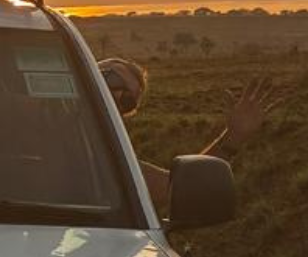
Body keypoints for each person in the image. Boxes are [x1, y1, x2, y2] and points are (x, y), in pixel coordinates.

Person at [97, 57, 280, 209]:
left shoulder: (104, 162)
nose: (116, 95)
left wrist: (233, 137)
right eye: (111, 78)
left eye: (128, 100)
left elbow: (176, 186)